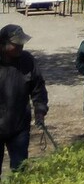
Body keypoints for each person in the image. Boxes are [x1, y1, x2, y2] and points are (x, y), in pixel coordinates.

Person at [0, 24, 48, 172]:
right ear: (3, 44)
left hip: (19, 126)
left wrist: (40, 110)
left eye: (22, 43)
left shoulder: (27, 60)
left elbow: (38, 88)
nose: (20, 47)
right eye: (16, 44)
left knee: (20, 169)